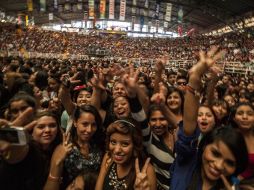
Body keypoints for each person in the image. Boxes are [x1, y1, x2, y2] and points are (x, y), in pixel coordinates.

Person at [170, 47, 249, 190]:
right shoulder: (188, 160)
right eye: (215, 153)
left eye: (230, 163)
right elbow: (188, 130)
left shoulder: (234, 186)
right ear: (204, 146)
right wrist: (194, 78)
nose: (218, 165)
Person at [44, 105, 104, 190]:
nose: (89, 130)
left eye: (93, 125)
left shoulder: (98, 145)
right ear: (75, 123)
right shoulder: (64, 148)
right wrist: (58, 162)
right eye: (85, 124)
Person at [0, 110, 62, 190]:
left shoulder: (58, 147)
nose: (47, 130)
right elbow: (17, 157)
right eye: (41, 127)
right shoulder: (29, 150)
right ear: (31, 131)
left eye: (52, 125)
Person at [95, 119, 157, 190]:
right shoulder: (108, 158)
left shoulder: (146, 170)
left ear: (135, 146)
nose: (117, 150)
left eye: (125, 144)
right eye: (113, 142)